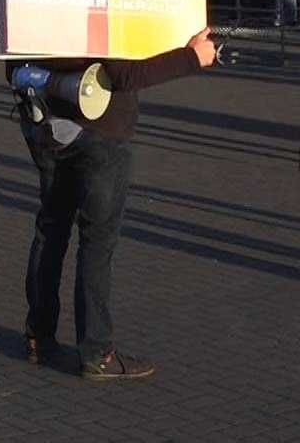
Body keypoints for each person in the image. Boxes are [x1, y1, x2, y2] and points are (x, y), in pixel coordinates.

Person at [17, 28, 219, 379]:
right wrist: (191, 57)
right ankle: (97, 351)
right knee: (97, 242)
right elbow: (124, 74)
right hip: (100, 132)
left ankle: (39, 334)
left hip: (45, 123)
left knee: (51, 229)